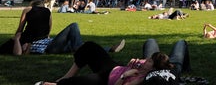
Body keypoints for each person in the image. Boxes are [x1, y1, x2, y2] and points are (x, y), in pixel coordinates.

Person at [35, 38, 189, 85]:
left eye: (147, 61)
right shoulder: (161, 70)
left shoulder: (146, 79)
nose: (145, 61)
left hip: (110, 77)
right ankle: (66, 76)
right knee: (159, 42)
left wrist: (126, 75)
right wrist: (140, 62)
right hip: (116, 68)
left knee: (179, 44)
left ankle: (60, 83)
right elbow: (151, 61)